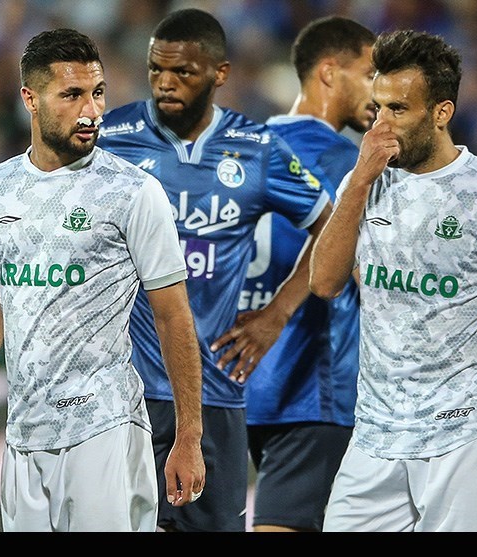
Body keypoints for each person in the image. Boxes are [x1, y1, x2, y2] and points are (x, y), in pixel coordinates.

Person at [0, 28, 205, 533]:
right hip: (24, 432)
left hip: (104, 426)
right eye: (71, 95)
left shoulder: (133, 192)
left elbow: (173, 313)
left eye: (97, 93)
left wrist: (188, 436)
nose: (91, 110)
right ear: (30, 99)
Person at [310, 29, 477, 532]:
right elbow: (324, 282)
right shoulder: (366, 181)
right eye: (377, 108)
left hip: (462, 436)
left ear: (441, 112)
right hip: (375, 436)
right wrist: (358, 181)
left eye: (398, 109)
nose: (380, 125)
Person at [98, 8, 332, 532]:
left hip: (214, 392)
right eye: (157, 70)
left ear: (220, 74)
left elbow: (333, 230)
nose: (165, 83)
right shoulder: (111, 137)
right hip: (120, 394)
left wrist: (277, 313)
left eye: (183, 72)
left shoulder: (259, 150)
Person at [232, 16, 376, 532]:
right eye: (371, 72)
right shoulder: (351, 165)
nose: (380, 91)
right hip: (314, 391)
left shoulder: (246, 148)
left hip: (237, 384)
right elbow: (376, 282)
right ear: (330, 73)